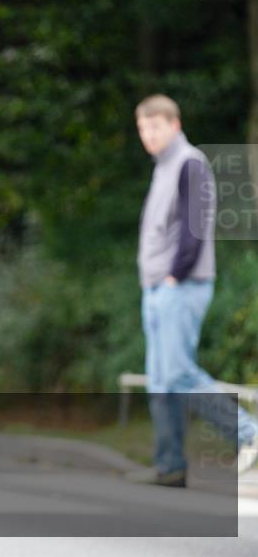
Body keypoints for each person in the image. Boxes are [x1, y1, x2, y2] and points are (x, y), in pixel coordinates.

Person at [129, 94, 258, 488]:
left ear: (175, 124)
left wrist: (174, 275)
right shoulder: (163, 169)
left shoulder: (189, 164)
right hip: (156, 289)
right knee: (160, 380)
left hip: (181, 286)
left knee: (180, 373)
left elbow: (194, 227)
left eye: (155, 126)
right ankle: (170, 467)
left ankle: (249, 434)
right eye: (142, 128)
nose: (148, 135)